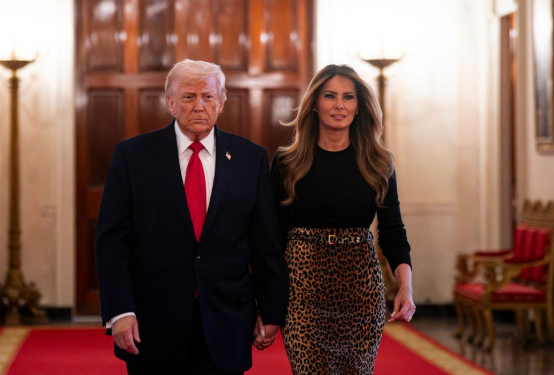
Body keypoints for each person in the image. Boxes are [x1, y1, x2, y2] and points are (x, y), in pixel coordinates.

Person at [95, 59, 288, 375]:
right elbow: (112, 241)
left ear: (221, 103)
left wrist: (270, 309)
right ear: (171, 102)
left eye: (208, 97)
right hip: (152, 322)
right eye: (188, 97)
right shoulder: (132, 157)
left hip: (228, 320)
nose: (199, 106)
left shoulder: (251, 159)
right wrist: (119, 311)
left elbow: (265, 243)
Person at [271, 64, 415, 375]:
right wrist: (266, 301)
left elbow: (393, 232)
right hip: (302, 293)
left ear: (359, 106)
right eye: (330, 96)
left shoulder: (378, 162)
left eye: (348, 97)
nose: (339, 105)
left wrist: (406, 287)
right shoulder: (287, 162)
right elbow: (273, 237)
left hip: (360, 294)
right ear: (314, 103)